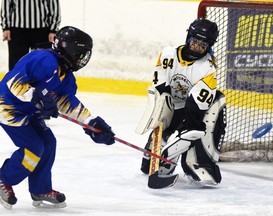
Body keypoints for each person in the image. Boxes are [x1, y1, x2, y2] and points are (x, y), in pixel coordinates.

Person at [0, 26, 115, 209]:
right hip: (8, 108)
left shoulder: (66, 77)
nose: (83, 59)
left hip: (29, 111)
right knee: (34, 147)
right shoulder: (43, 59)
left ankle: (40, 189)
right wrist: (35, 97)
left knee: (49, 142)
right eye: (81, 54)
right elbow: (13, 83)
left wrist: (91, 123)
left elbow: (67, 102)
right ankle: (4, 178)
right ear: (68, 48)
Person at [136, 18, 227, 186]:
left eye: (203, 45)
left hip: (189, 107)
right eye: (194, 42)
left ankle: (196, 161)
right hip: (169, 102)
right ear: (188, 38)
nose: (197, 47)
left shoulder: (208, 67)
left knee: (186, 132)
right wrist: (162, 111)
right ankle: (153, 152)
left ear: (210, 46)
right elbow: (160, 82)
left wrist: (187, 126)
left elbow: (197, 102)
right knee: (148, 165)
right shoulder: (168, 53)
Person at [1, 0, 61, 70]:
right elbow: (6, 3)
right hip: (17, 31)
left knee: (42, 65)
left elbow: (53, 4)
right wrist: (5, 27)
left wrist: (53, 30)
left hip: (42, 31)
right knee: (16, 65)